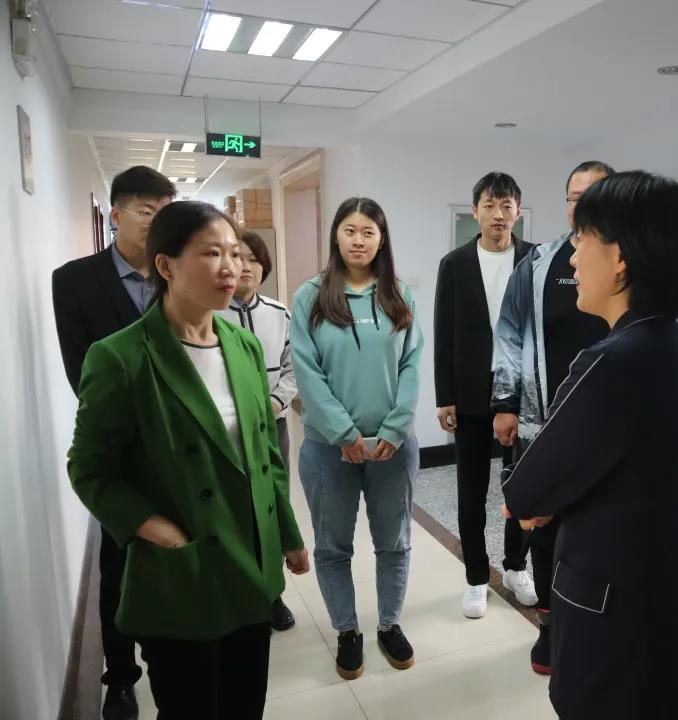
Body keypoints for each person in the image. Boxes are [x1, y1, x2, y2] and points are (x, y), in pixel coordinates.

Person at [67, 200, 309, 720]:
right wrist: (153, 528)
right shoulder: (121, 357)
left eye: (235, 254)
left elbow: (264, 454)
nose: (231, 268)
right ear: (166, 265)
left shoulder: (243, 346)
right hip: (183, 572)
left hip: (250, 562)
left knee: (245, 703)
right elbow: (88, 468)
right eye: (211, 253)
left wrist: (287, 533)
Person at [501, 171, 678, 720]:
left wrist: (543, 501)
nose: (573, 258)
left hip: (615, 617)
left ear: (619, 258)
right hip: (666, 602)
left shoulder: (611, 362)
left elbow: (524, 493)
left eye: (583, 240)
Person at [52, 165, 175, 720]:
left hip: (182, 447)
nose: (156, 221)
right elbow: (81, 371)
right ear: (116, 213)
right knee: (119, 563)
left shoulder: (179, 271)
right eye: (146, 211)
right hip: (121, 452)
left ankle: (174, 662)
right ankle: (121, 678)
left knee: (178, 557)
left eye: (164, 211)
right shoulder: (74, 280)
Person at [291, 197, 423, 679]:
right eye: (350, 230)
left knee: (394, 542)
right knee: (332, 546)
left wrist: (394, 427)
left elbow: (411, 365)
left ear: (381, 239)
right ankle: (347, 631)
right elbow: (306, 371)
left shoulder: (400, 295)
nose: (359, 240)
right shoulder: (311, 296)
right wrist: (343, 432)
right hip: (329, 448)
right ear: (336, 236)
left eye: (369, 232)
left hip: (392, 446)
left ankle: (389, 624)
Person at [491, 160, 614, 674]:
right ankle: (550, 627)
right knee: (543, 529)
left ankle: (593, 628)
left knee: (597, 529)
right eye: (573, 197)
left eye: (593, 195)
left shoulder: (632, 261)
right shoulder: (538, 264)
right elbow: (509, 332)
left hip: (608, 426)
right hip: (543, 421)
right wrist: (505, 402)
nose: (581, 206)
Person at [434, 172, 537, 619]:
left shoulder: (535, 259)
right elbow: (444, 332)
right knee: (471, 490)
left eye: (507, 205)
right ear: (475, 210)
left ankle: (516, 566)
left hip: (524, 395)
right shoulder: (455, 264)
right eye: (490, 205)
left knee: (524, 486)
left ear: (518, 211)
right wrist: (445, 396)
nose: (499, 214)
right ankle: (476, 576)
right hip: (471, 395)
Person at [215, 229, 298, 632]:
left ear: (264, 268)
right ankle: (236, 591)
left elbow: (293, 367)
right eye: (238, 257)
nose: (245, 266)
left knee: (271, 506)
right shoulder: (211, 314)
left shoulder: (280, 313)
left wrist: (277, 403)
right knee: (233, 508)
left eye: (254, 259)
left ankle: (271, 593)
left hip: (272, 427)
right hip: (228, 431)